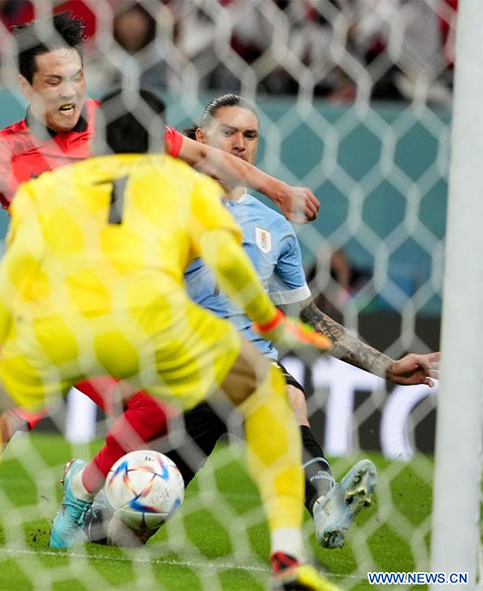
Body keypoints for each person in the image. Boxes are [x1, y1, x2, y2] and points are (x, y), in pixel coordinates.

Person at [0, 88, 339, 591]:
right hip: (142, 333)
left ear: (97, 143)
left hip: (59, 326)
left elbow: (16, 276)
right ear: (161, 144)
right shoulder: (189, 195)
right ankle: (286, 556)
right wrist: (272, 331)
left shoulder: (48, 191)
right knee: (266, 404)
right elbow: (235, 275)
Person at [69, 94, 440, 551]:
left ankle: (326, 501)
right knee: (119, 533)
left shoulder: (274, 228)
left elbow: (309, 318)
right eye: (229, 132)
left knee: (287, 397)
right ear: (201, 138)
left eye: (250, 135)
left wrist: (386, 366)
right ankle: (87, 497)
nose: (240, 143)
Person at [0, 12, 320, 264]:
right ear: (25, 86)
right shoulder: (0, 153)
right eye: (53, 82)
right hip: (46, 307)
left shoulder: (119, 120)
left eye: (76, 78)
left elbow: (205, 156)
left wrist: (278, 190)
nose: (69, 92)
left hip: (119, 304)